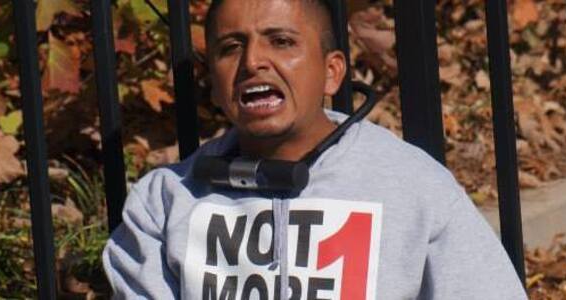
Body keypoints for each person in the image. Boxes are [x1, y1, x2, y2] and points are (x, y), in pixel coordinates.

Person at [102, 0, 527, 299]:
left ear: (332, 73)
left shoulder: (415, 187)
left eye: (281, 41)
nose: (253, 62)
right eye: (231, 47)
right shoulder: (163, 202)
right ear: (214, 84)